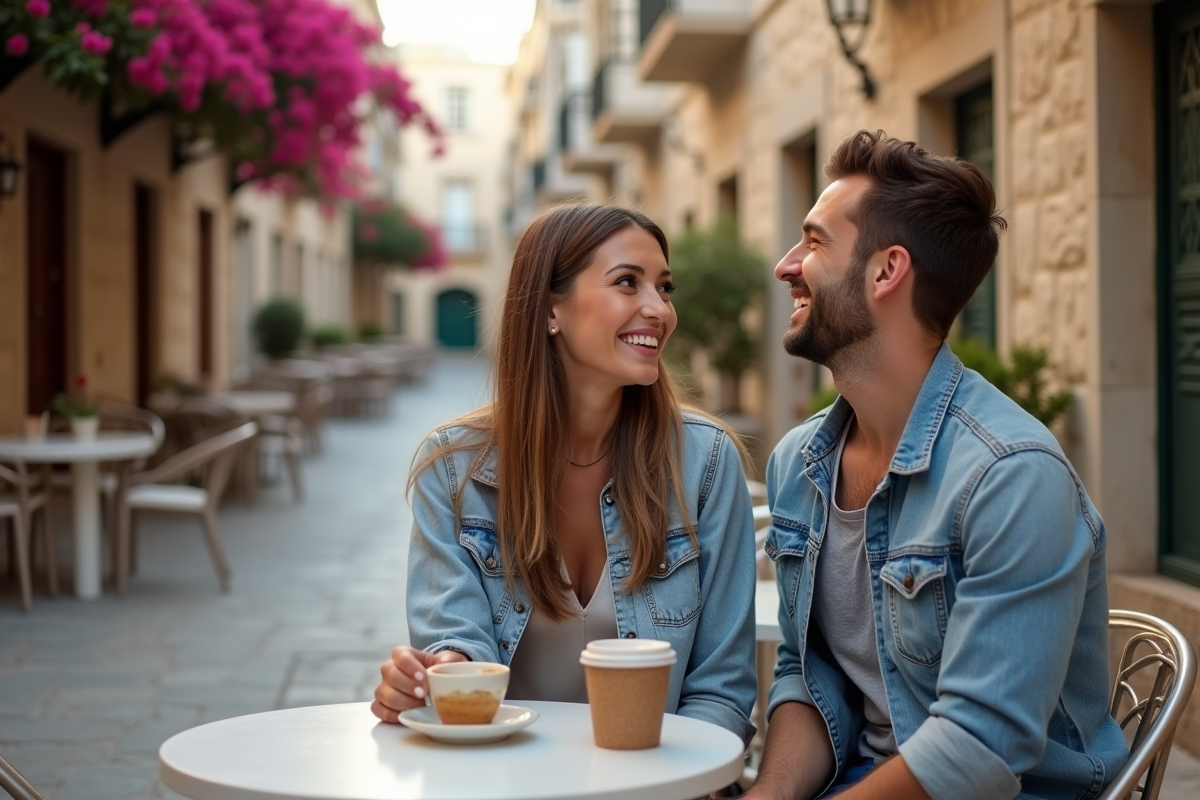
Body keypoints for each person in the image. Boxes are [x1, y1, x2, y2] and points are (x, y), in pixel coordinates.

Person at [748, 131, 1127, 800]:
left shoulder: (1011, 474)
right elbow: (809, 677)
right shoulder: (798, 465)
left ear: (887, 271)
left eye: (812, 242)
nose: (785, 265)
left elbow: (978, 752)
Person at [371, 203, 758, 746]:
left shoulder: (706, 463)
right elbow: (455, 644)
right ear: (552, 310)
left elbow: (721, 690)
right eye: (628, 282)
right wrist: (428, 681)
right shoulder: (454, 468)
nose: (660, 310)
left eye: (664, 288)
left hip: (658, 783)